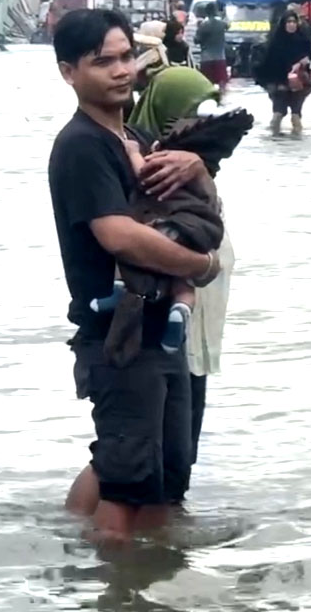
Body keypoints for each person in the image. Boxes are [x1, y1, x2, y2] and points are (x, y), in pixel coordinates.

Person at [47, 8, 221, 541]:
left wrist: (197, 170)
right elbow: (117, 235)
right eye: (103, 61)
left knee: (160, 479)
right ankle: (115, 587)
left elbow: (203, 213)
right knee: (125, 479)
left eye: (126, 56)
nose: (121, 70)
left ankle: (139, 575)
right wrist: (200, 268)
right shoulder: (82, 145)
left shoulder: (142, 138)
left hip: (159, 332)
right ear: (68, 72)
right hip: (118, 336)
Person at [128, 67, 244, 476]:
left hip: (194, 343)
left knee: (178, 460)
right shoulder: (150, 170)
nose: (204, 123)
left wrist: (198, 171)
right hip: (163, 341)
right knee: (146, 462)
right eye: (195, 112)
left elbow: (209, 224)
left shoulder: (195, 169)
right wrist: (203, 266)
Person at [255, 11, 311, 134]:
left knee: (296, 116)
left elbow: (310, 58)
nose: (292, 25)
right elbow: (268, 64)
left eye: (294, 22)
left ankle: (297, 143)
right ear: (283, 24)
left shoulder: (303, 40)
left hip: (298, 83)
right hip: (279, 83)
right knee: (278, 114)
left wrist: (302, 63)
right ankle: (276, 140)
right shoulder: (275, 42)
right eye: (289, 22)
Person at [195, 2, 230, 93]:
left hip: (206, 57)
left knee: (207, 82)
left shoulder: (203, 25)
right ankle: (222, 96)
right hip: (220, 56)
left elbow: (196, 40)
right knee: (222, 81)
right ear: (216, 11)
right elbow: (228, 25)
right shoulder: (221, 24)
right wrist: (224, 14)